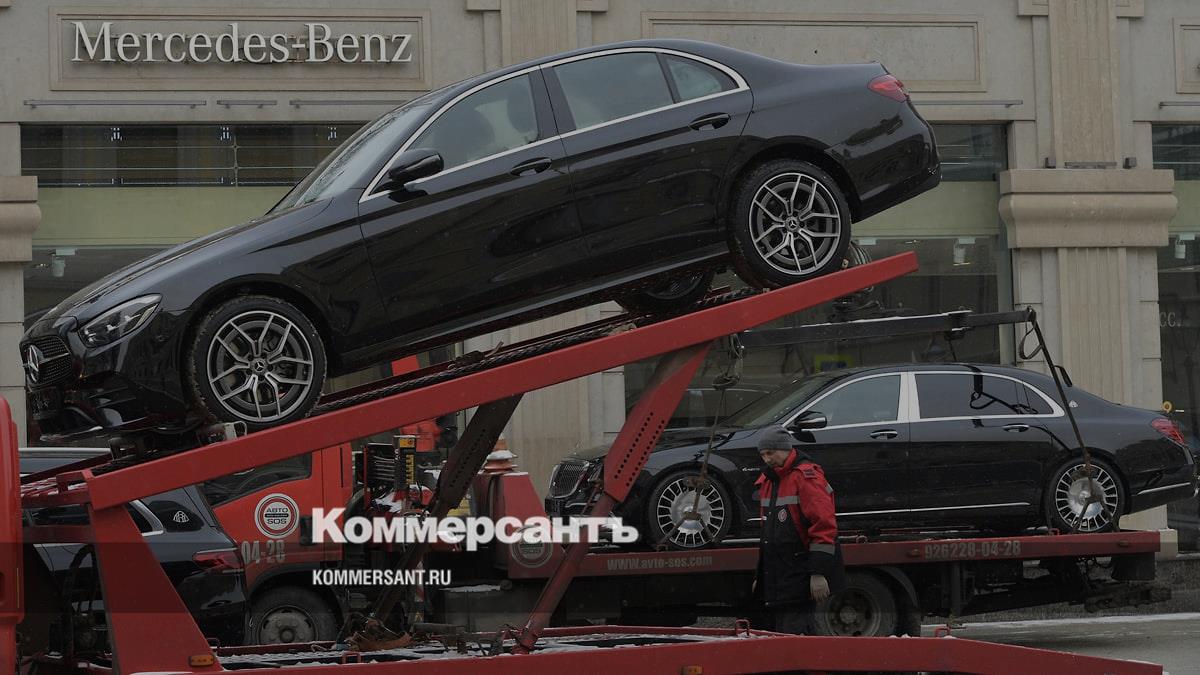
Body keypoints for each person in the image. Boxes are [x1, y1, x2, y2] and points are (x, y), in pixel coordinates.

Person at [753, 425, 846, 634]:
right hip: (784, 574)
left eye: (770, 453)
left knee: (796, 633)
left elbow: (823, 526)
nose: (767, 459)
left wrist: (818, 572)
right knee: (783, 633)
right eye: (763, 455)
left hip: (800, 573)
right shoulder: (769, 480)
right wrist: (761, 576)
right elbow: (768, 534)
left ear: (785, 449)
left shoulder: (805, 478)